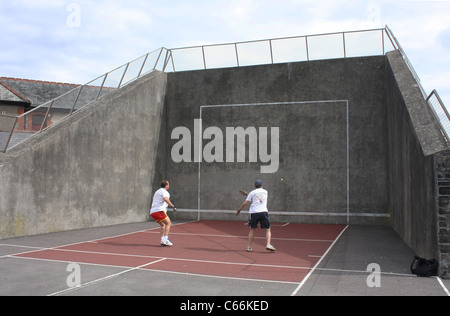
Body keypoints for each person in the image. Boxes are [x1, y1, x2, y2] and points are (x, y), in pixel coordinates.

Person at [236, 179, 276, 252]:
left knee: (252, 229)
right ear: (262, 185)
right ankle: (268, 244)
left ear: (255, 186)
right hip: (263, 212)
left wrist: (239, 209)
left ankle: (249, 247)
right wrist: (250, 196)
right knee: (268, 229)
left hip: (254, 213)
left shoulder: (252, 193)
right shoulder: (265, 192)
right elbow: (259, 199)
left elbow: (246, 203)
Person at [150, 180, 177, 246]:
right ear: (166, 185)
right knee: (168, 223)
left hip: (153, 212)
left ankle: (162, 240)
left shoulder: (157, 191)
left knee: (163, 225)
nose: (169, 185)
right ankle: (165, 239)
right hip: (159, 211)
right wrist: (172, 206)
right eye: (168, 184)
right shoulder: (165, 192)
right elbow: (165, 199)